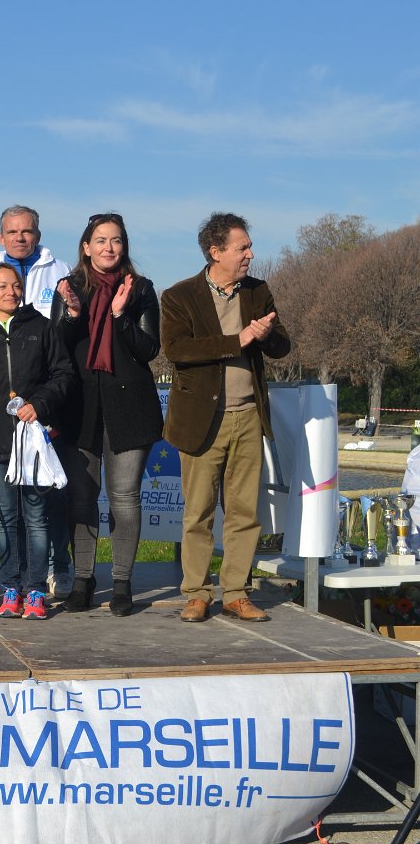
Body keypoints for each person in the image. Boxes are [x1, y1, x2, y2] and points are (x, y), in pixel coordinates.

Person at [162, 213, 291, 623]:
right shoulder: (179, 296)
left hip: (249, 416)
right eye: (242, 248)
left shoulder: (258, 291)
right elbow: (178, 350)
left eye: (249, 246)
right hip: (203, 420)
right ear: (216, 252)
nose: (250, 254)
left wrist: (266, 335)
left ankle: (236, 592)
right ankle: (197, 594)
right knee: (198, 513)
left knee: (243, 513)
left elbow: (282, 347)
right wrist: (239, 339)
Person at [51, 214, 162, 616]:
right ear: (86, 247)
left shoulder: (141, 289)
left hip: (130, 405)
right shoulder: (70, 288)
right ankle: (82, 581)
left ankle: (122, 583)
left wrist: (120, 316)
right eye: (100, 240)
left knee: (124, 497)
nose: (108, 248)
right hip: (79, 406)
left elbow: (149, 349)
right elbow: (56, 348)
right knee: (81, 497)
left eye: (116, 240)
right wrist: (72, 315)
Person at [0, 263, 73, 620]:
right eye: (2, 286)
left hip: (34, 440)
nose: (11, 292)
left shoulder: (40, 326)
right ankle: (11, 587)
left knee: (37, 517)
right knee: (8, 519)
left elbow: (63, 374)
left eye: (16, 286)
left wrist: (39, 404)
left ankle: (36, 590)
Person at [0, 204, 75, 598]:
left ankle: (58, 568)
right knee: (12, 512)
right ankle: (19, 579)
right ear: (1, 237)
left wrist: (45, 403)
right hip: (6, 424)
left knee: (49, 502)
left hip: (47, 410)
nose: (19, 238)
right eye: (12, 232)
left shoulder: (60, 271)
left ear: (37, 235)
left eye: (26, 231)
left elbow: (67, 340)